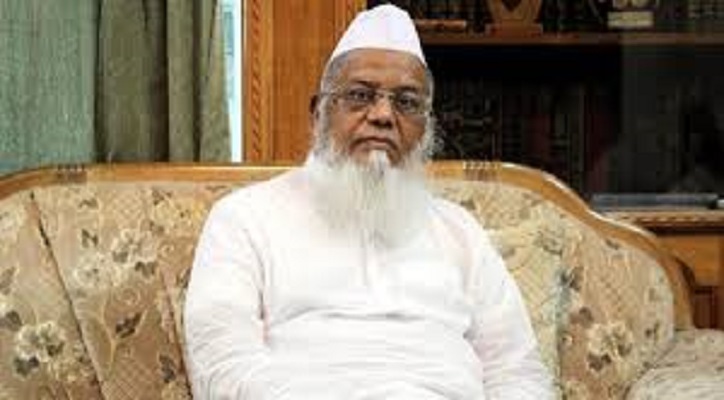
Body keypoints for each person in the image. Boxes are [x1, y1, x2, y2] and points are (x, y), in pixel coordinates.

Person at [184, 4, 552, 399]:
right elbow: (223, 362)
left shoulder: (459, 231)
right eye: (360, 96)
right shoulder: (245, 218)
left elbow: (516, 370)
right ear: (318, 114)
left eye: (406, 102)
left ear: (426, 127)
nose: (382, 115)